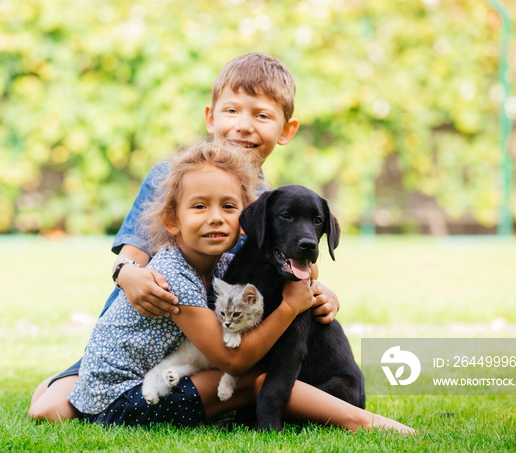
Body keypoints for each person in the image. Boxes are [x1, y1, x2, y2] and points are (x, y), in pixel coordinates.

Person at [30, 53, 340, 421]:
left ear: (286, 130)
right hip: (147, 334)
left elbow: (294, 268)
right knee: (49, 410)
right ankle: (69, 377)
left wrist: (322, 294)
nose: (244, 126)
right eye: (232, 112)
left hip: (212, 339)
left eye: (261, 115)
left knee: (246, 372)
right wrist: (129, 276)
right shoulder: (173, 176)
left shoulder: (272, 202)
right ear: (211, 117)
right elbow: (130, 257)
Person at [52, 142, 414, 433]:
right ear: (172, 221)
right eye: (199, 206)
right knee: (252, 378)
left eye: (228, 206)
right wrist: (290, 306)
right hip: (126, 400)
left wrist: (316, 290)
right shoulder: (173, 274)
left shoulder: (224, 265)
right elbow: (233, 359)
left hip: (159, 379)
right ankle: (364, 422)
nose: (215, 217)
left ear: (244, 220)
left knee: (251, 378)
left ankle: (350, 415)